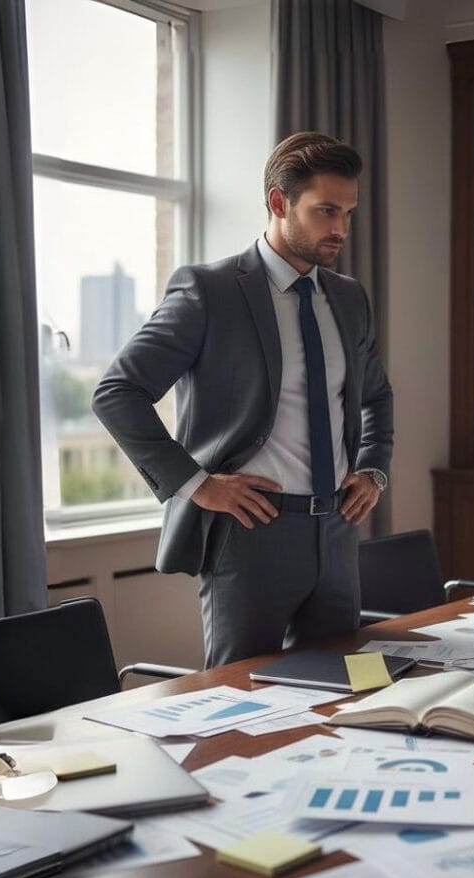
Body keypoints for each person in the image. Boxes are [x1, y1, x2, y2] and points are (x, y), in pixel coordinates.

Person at [92, 132, 392, 668]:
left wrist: (373, 470)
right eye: (326, 211)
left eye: (348, 213)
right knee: (241, 700)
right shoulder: (209, 292)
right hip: (252, 535)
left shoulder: (347, 297)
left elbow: (376, 396)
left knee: (346, 695)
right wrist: (196, 485)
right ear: (279, 203)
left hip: (338, 532)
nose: (341, 229)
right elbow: (118, 392)